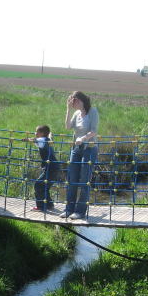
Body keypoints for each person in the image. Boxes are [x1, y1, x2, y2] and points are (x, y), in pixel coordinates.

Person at [60, 91, 99, 220]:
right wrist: (68, 109)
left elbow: (93, 131)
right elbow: (67, 127)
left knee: (84, 180)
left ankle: (80, 211)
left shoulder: (92, 111)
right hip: (76, 148)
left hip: (89, 148)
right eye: (71, 100)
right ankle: (68, 209)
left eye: (74, 100)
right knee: (72, 179)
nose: (73, 103)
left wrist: (82, 138)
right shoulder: (76, 113)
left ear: (81, 100)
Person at [25, 125, 60, 212]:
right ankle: (49, 205)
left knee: (38, 185)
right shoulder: (47, 139)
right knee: (45, 186)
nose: (35, 133)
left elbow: (35, 140)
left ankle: (40, 206)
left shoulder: (42, 140)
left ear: (42, 133)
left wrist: (27, 139)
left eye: (37, 132)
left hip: (50, 167)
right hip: (54, 166)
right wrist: (50, 135)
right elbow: (47, 137)